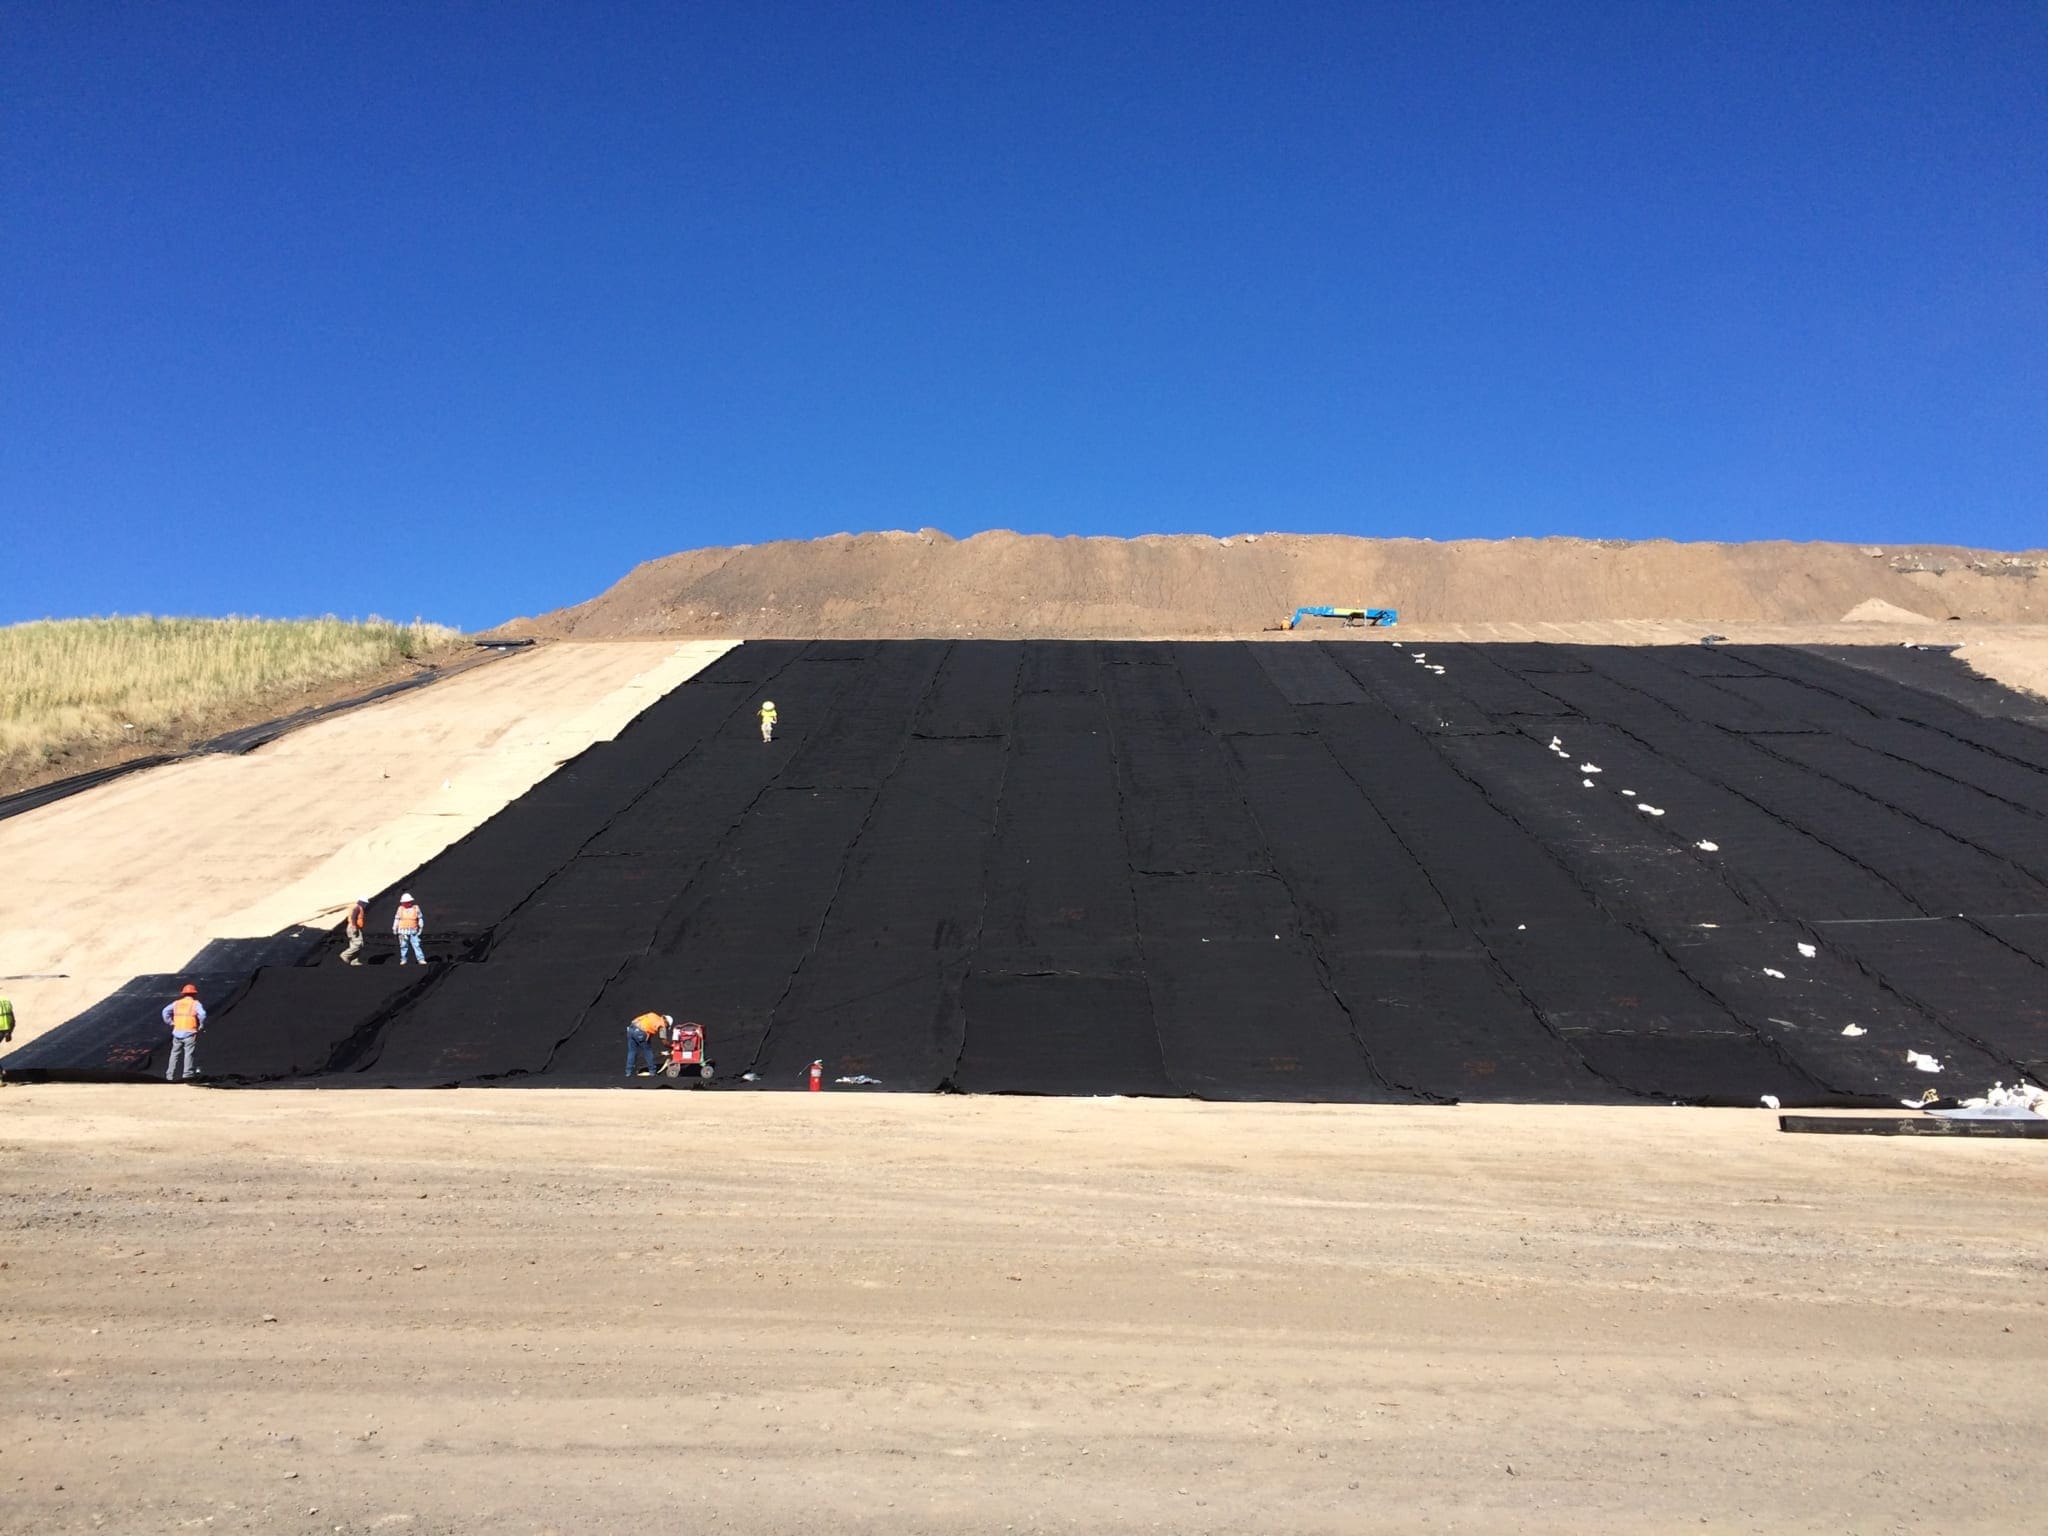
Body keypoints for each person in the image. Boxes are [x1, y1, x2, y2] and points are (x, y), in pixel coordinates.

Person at [161, 982, 205, 1081]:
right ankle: (187, 1074)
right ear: (194, 994)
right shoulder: (195, 1003)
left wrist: (170, 1022)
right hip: (190, 1032)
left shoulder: (176, 1003)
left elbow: (165, 1011)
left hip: (177, 1032)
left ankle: (170, 1075)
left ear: (183, 994)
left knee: (174, 1053)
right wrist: (201, 1024)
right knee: (189, 1053)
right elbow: (202, 1014)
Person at [626, 1011, 670, 1077]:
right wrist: (671, 1047)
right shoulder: (662, 1025)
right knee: (648, 1051)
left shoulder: (653, 1015)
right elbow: (664, 1042)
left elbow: (647, 1024)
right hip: (640, 1032)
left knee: (632, 1051)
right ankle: (652, 1071)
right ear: (666, 1022)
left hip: (631, 1029)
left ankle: (629, 1072)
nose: (666, 1028)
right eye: (667, 1026)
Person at [393, 892, 427, 965]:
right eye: (405, 902)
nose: (407, 903)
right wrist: (394, 927)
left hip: (413, 930)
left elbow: (420, 918)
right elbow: (397, 919)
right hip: (402, 931)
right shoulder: (400, 909)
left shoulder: (416, 908)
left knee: (416, 945)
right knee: (403, 946)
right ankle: (403, 959)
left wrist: (421, 926)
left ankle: (420, 959)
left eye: (408, 902)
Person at [340, 895, 370, 965]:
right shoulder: (357, 908)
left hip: (355, 927)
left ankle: (354, 960)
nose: (366, 905)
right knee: (358, 944)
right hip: (353, 927)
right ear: (361, 902)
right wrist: (354, 926)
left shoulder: (358, 907)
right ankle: (345, 955)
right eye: (365, 903)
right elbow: (353, 917)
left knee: (355, 944)